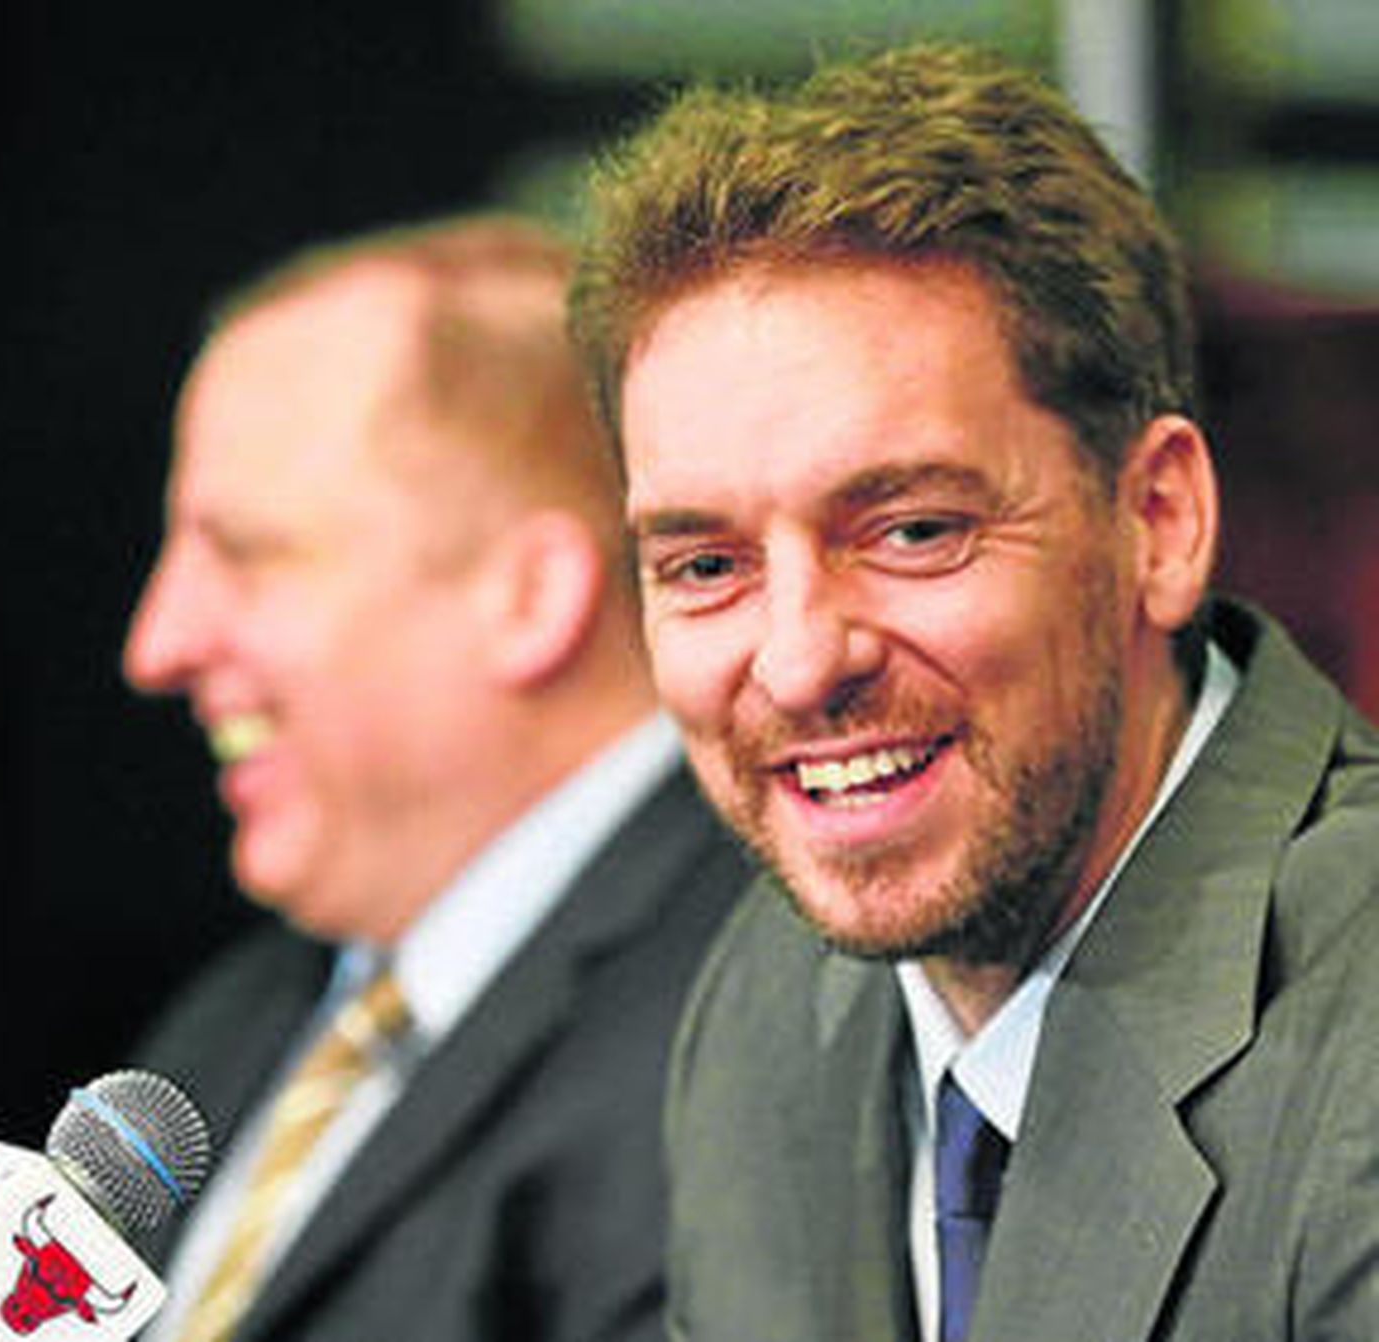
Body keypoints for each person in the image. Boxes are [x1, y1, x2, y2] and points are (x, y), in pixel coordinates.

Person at [567, 43, 1379, 1342]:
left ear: (1158, 521)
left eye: (912, 531)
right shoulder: (766, 1000)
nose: (799, 660)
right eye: (707, 566)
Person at [122, 215, 750, 1342]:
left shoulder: (746, 1018)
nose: (157, 645)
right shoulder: (234, 1020)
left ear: (529, 598)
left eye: (248, 555)